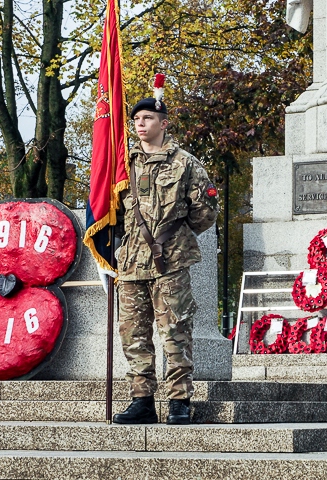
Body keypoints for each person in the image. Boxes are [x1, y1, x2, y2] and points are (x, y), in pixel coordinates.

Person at [111, 97, 219, 424]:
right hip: (130, 262)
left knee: (175, 332)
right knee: (134, 335)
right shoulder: (121, 165)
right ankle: (142, 400)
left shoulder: (185, 164)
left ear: (164, 123)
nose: (140, 124)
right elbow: (110, 210)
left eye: (147, 118)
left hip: (169, 262)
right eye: (136, 119)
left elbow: (205, 212)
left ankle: (179, 401)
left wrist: (173, 238)